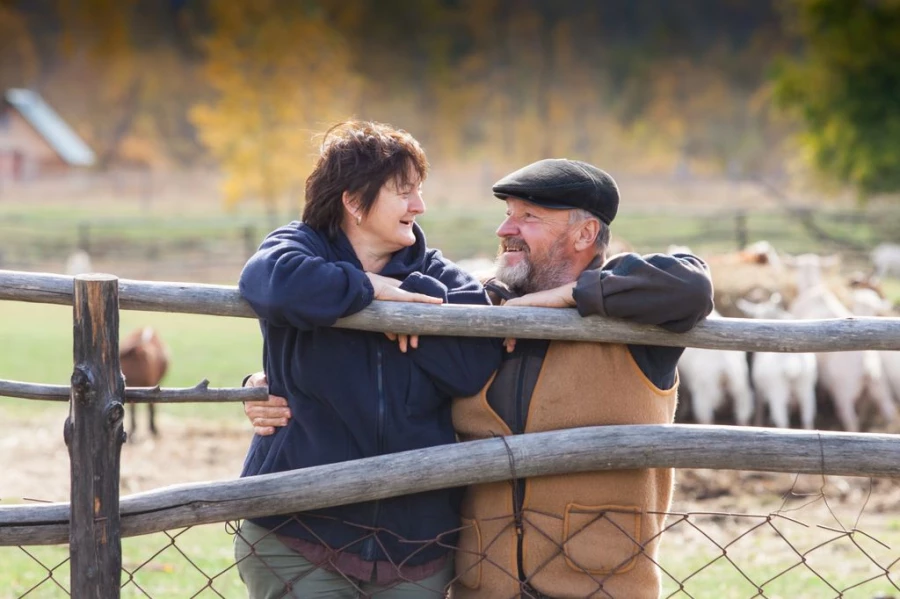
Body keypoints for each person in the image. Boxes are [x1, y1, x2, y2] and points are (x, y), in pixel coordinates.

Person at [245, 158, 715, 598]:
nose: (504, 229)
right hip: (481, 583)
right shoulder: (479, 311)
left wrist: (570, 297)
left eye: (528, 217)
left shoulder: (636, 322)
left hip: (598, 585)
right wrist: (271, 383)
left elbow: (691, 286)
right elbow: (381, 370)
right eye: (508, 215)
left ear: (585, 233)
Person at [234, 120, 503, 598]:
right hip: (296, 534)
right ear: (354, 201)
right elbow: (269, 282)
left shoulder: (438, 275)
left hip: (416, 548)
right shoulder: (296, 248)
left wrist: (412, 298)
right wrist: (367, 292)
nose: (419, 206)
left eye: (419, 191)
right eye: (404, 192)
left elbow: (472, 367)